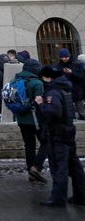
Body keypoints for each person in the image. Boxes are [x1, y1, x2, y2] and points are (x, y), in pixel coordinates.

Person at [36, 65, 85, 207]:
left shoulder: (52, 92)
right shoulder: (65, 89)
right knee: (74, 166)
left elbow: (53, 113)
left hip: (58, 134)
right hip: (68, 131)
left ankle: (58, 198)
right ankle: (80, 195)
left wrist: (41, 104)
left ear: (48, 77)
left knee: (59, 166)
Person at [10, 59, 48, 183]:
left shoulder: (15, 81)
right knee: (47, 142)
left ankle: (31, 173)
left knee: (29, 145)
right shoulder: (37, 83)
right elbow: (39, 103)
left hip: (21, 118)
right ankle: (36, 167)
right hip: (35, 119)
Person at [57, 49, 85, 121]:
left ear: (69, 56)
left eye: (66, 57)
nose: (64, 59)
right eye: (62, 57)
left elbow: (81, 77)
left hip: (76, 89)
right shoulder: (59, 66)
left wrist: (71, 73)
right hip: (65, 90)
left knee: (81, 108)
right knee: (68, 108)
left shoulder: (76, 64)